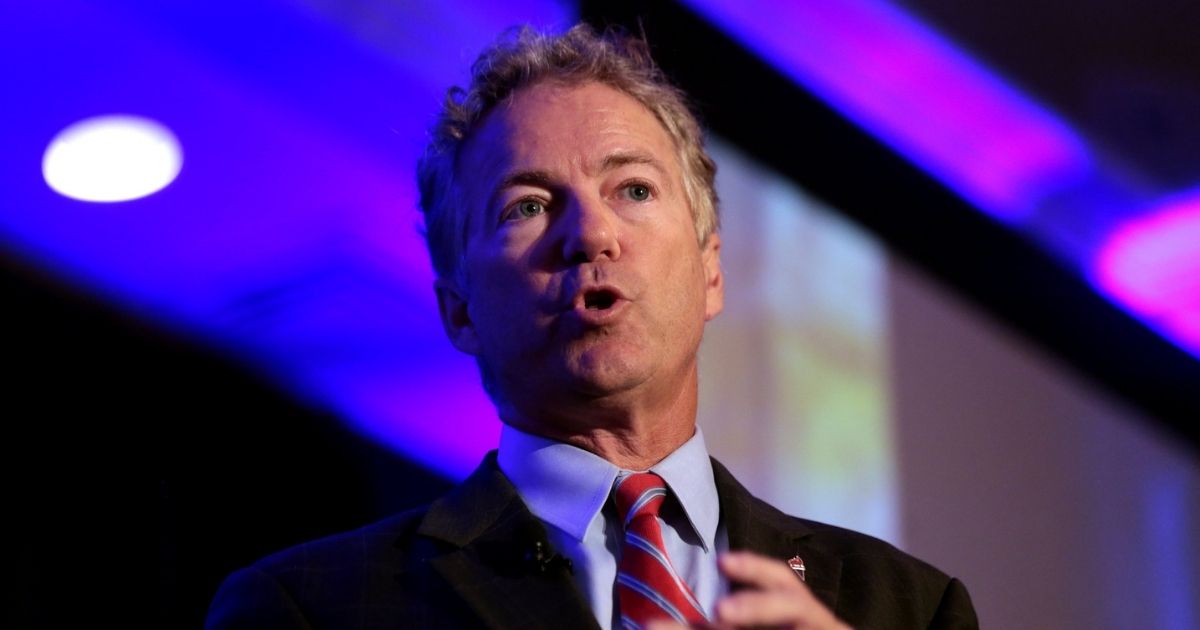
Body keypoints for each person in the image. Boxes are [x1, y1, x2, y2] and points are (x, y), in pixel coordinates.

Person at [206, 23, 978, 630]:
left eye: (633, 189)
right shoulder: (309, 610)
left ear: (711, 269)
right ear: (460, 309)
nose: (590, 235)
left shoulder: (905, 607)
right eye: (528, 207)